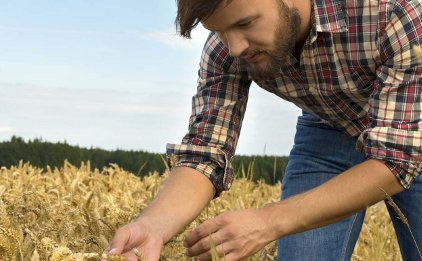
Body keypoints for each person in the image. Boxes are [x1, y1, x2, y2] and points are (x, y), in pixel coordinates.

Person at [103, 0, 422, 260]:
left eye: (244, 24)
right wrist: (152, 226)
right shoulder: (226, 48)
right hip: (326, 128)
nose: (236, 46)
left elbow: (397, 158)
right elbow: (205, 152)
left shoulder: (394, 11)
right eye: (220, 30)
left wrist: (267, 222)